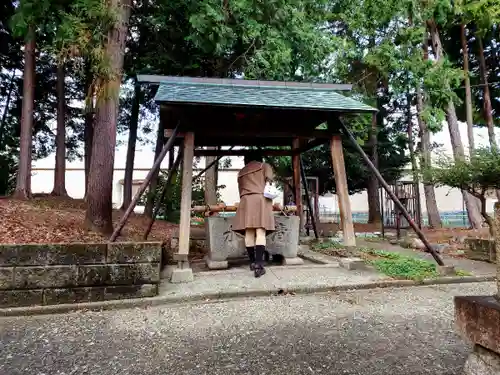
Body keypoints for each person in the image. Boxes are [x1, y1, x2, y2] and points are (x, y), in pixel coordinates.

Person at [232, 150, 275, 277]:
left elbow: (240, 190)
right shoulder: (264, 166)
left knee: (249, 232)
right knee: (260, 231)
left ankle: (252, 262)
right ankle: (259, 265)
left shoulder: (241, 171)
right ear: (259, 157)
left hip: (245, 201)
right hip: (260, 200)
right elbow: (270, 181)